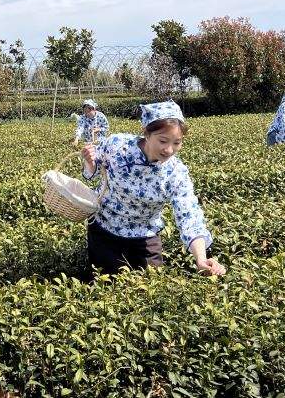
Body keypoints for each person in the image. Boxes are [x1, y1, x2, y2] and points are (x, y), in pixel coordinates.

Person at [79, 101, 225, 277]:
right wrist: (89, 161)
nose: (169, 150)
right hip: (105, 229)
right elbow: (94, 172)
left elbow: (189, 215)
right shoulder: (117, 145)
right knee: (106, 283)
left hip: (145, 236)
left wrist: (201, 258)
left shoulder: (175, 173)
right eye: (163, 141)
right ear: (147, 133)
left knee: (149, 284)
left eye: (177, 143)